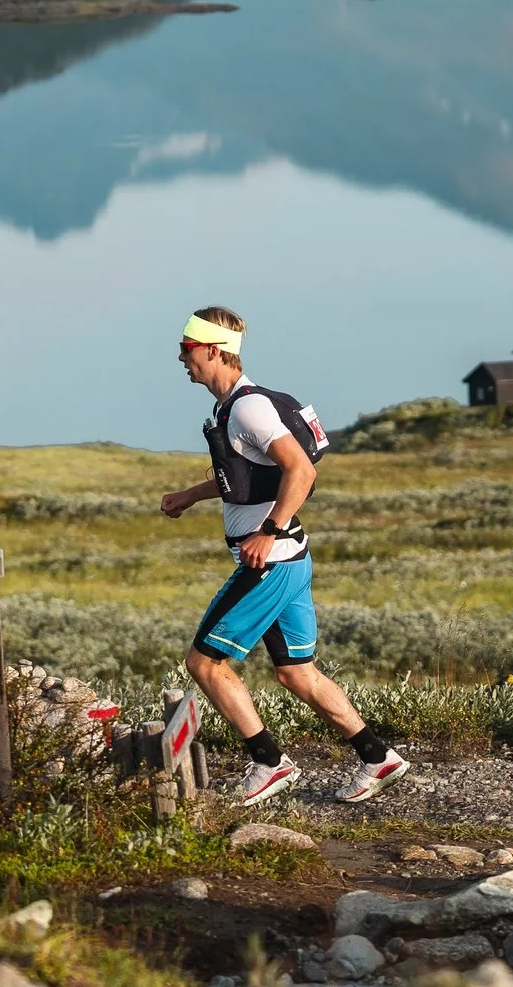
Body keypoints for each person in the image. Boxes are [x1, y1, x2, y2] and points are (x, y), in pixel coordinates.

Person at [160, 305, 411, 806]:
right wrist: (190, 495)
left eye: (187, 349)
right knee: (296, 672)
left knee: (204, 664)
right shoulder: (231, 408)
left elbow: (301, 471)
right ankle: (377, 756)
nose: (180, 358)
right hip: (291, 561)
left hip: (268, 564)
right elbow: (247, 476)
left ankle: (269, 763)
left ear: (213, 351)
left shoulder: (248, 409)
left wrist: (266, 534)